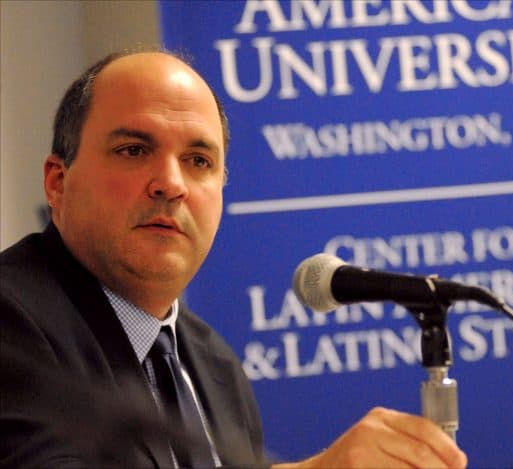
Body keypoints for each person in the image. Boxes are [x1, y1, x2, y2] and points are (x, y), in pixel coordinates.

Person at [0, 50, 468, 469]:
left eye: (198, 160)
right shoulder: (13, 320)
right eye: (134, 150)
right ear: (58, 182)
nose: (170, 183)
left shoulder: (213, 363)